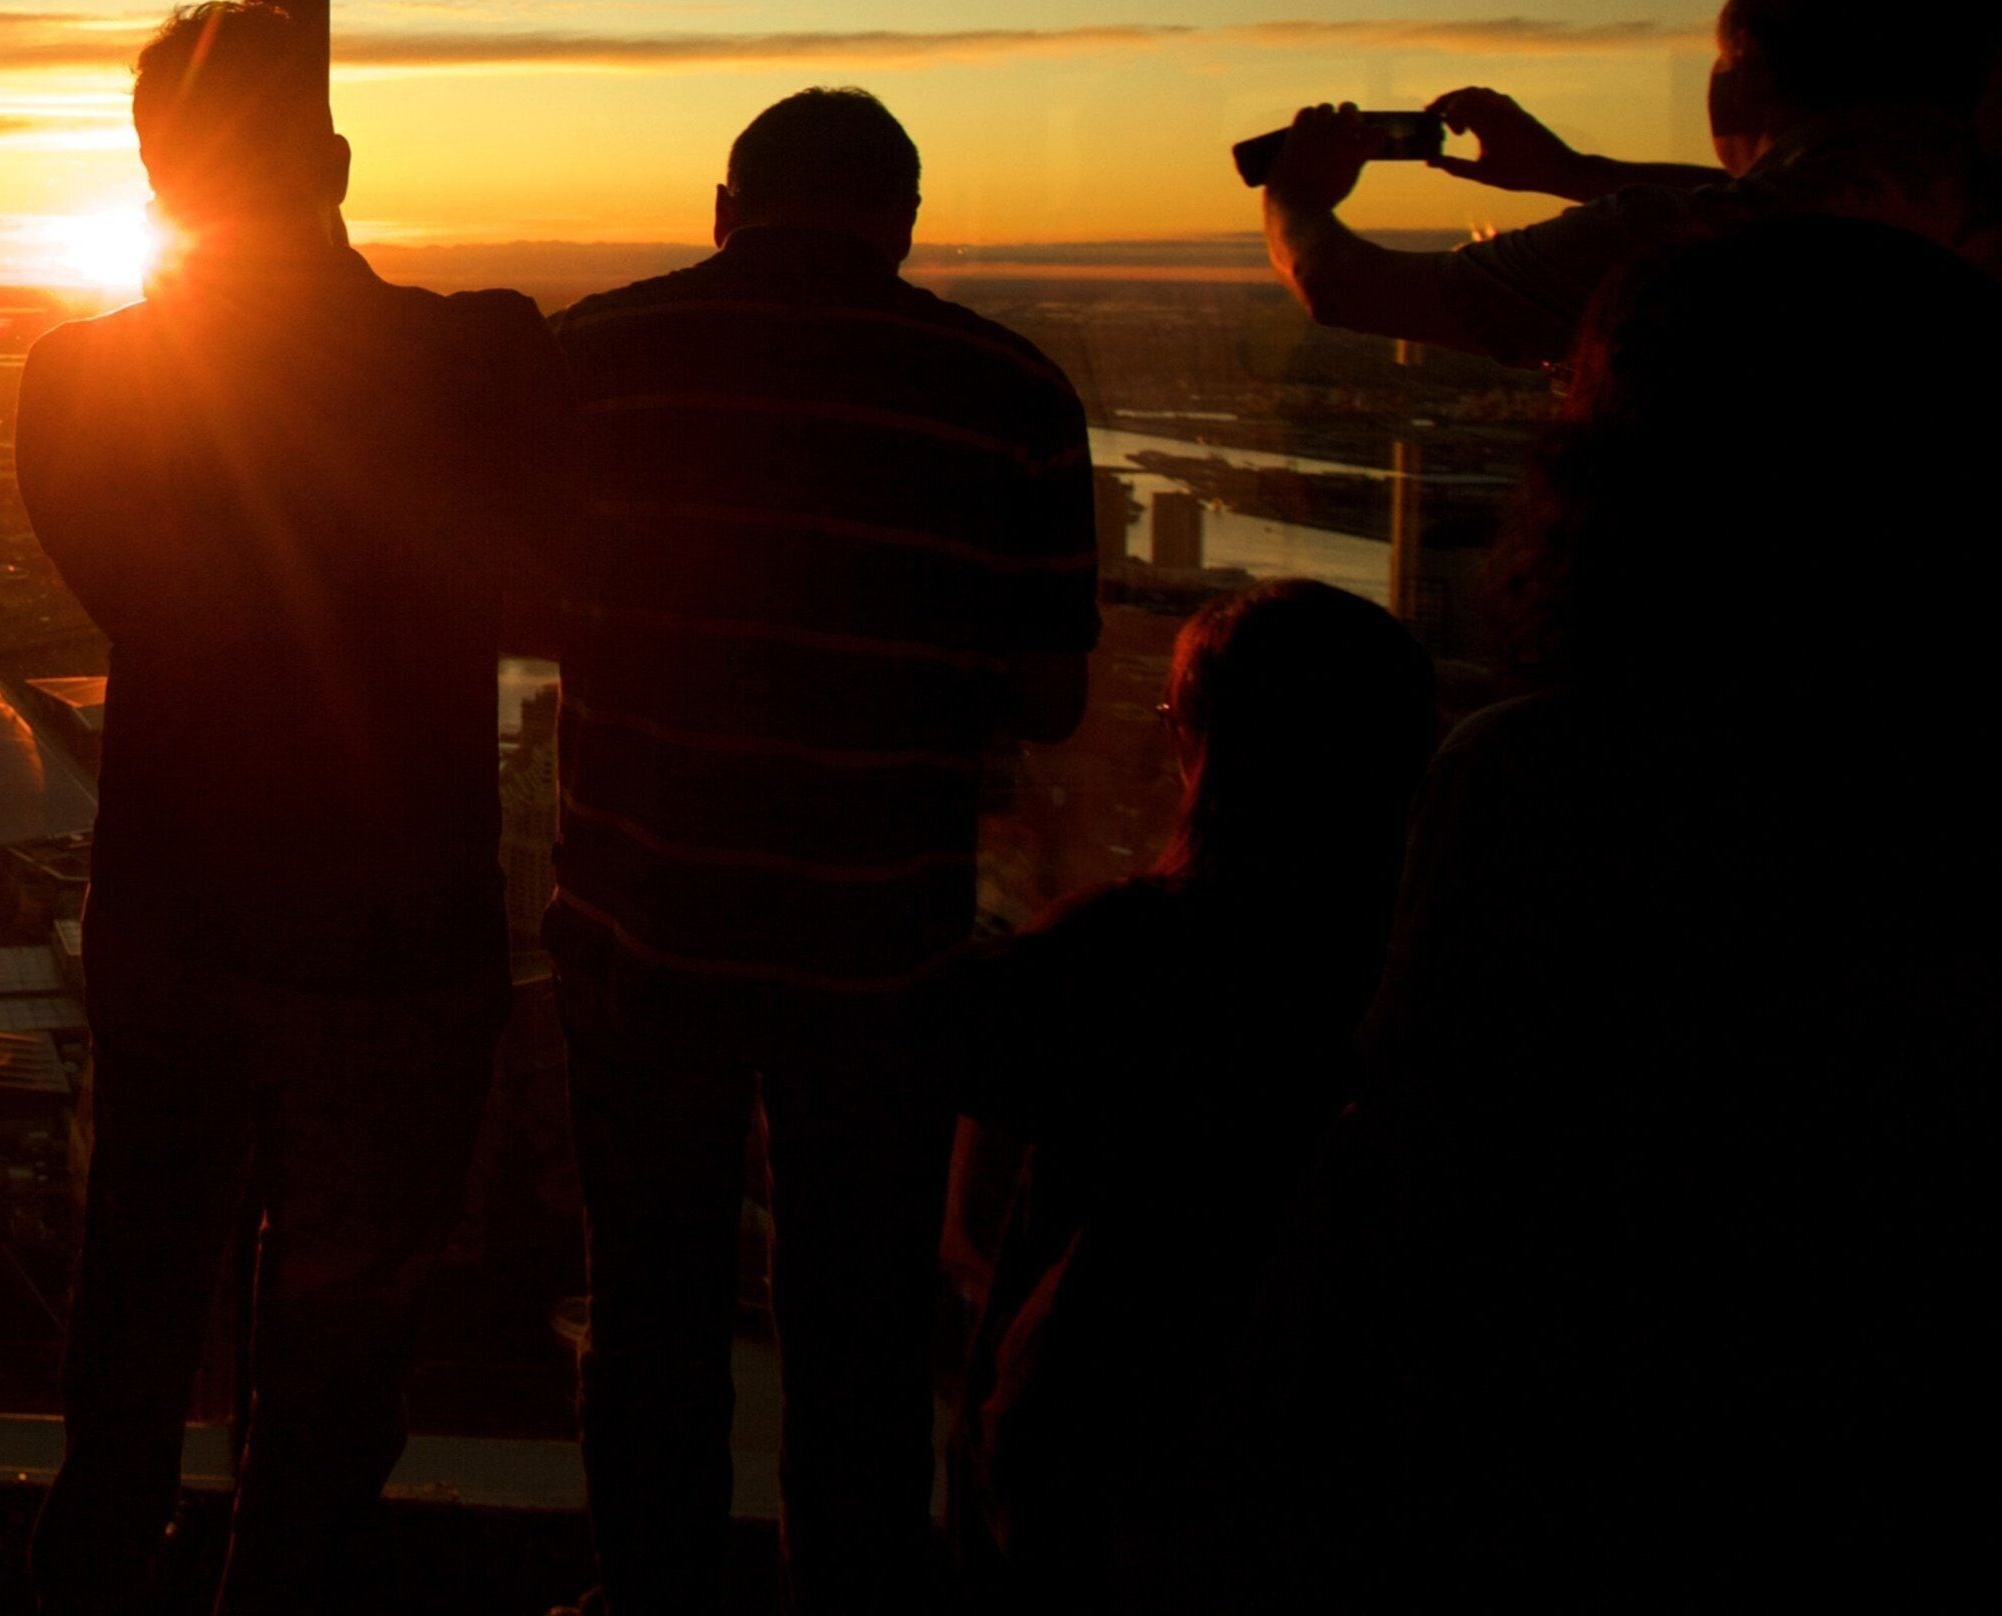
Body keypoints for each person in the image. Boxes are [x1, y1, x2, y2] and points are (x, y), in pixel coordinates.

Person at [1237, 216, 2002, 1609]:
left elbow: (1418, 1174)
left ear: (1616, 477)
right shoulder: (1941, 800)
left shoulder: (1548, 784)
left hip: (1570, 1463)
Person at [15, 0, 566, 1614]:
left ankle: (93, 1585)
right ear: (330, 160)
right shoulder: (480, 356)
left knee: (134, 1314)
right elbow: (539, 571)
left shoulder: (79, 382)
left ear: (156, 182)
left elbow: (146, 599)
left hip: (176, 910)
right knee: (334, 1372)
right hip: (398, 931)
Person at [547, 87, 1096, 1615]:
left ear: (726, 209)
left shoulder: (594, 358)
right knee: (859, 1333)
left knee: (650, 1308)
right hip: (880, 952)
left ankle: (649, 1597)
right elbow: (1053, 697)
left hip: (642, 929)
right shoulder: (1013, 391)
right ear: (903, 223)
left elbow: (511, 587)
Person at [897, 580, 1435, 1612]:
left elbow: (919, 1042)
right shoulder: (1414, 980)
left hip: (1094, 1460)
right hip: (1326, 1481)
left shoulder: (1130, 952)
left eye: (1173, 723)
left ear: (1211, 748)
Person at [1260, 0, 2002, 366]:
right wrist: (1572, 171)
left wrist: (1295, 197)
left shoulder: (1681, 252)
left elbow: (1348, 288)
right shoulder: (1962, 202)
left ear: (1747, 76)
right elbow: (1771, 201)